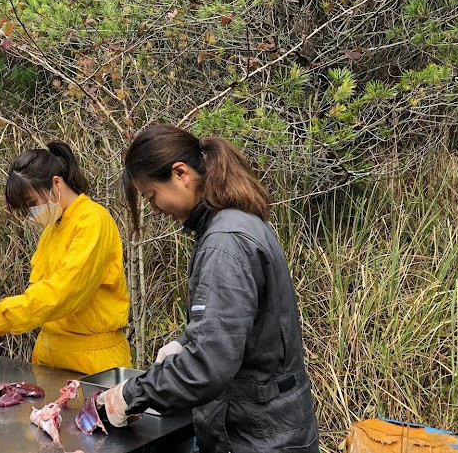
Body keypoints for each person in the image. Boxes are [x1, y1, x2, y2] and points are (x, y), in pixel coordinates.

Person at [98, 125, 318, 453]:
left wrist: (130, 396)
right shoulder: (237, 223)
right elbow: (241, 324)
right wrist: (186, 342)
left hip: (259, 436)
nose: (156, 210)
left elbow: (209, 366)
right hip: (269, 425)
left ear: (181, 173)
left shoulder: (224, 243)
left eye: (151, 196)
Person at [0, 140, 131, 375]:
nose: (31, 212)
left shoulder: (93, 221)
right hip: (48, 357)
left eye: (32, 203)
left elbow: (64, 293)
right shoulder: (52, 229)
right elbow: (39, 296)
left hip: (93, 364)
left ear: (56, 183)